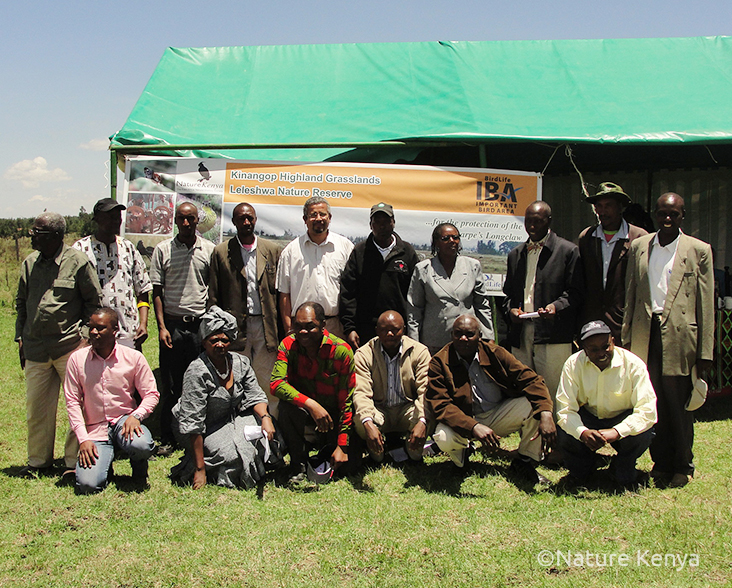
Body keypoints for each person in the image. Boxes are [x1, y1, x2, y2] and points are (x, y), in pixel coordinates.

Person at [622, 192, 714, 488]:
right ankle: (660, 464)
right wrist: (626, 341)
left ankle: (683, 465)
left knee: (678, 404)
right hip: (644, 333)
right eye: (662, 213)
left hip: (680, 337)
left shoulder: (698, 250)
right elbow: (631, 295)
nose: (667, 219)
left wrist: (706, 353)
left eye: (673, 214)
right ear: (656, 214)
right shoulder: (639, 247)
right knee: (651, 402)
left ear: (682, 216)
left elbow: (707, 304)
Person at [15, 212, 102, 478]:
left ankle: (74, 462)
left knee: (78, 406)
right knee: (38, 409)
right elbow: (21, 304)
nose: (32, 237)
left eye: (37, 233)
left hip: (70, 347)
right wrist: (20, 338)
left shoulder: (77, 262)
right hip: (36, 349)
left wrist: (86, 338)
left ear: (55, 235)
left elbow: (94, 303)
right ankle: (38, 462)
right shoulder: (30, 264)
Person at [427, 315, 556, 484]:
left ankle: (524, 462)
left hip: (496, 414)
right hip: (463, 419)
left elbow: (532, 380)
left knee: (533, 405)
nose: (463, 338)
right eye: (458, 333)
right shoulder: (439, 362)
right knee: (443, 437)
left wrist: (546, 413)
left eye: (469, 334)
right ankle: (461, 460)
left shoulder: (495, 353)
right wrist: (473, 426)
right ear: (451, 335)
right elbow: (441, 405)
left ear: (479, 336)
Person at [171, 306, 276, 489]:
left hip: (231, 419)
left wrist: (266, 418)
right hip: (201, 429)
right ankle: (202, 463)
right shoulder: (197, 372)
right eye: (214, 340)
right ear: (204, 342)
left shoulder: (240, 362)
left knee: (266, 434)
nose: (220, 344)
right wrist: (200, 469)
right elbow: (193, 422)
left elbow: (254, 394)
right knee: (231, 455)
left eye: (224, 340)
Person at [64, 308, 159, 493]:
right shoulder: (76, 360)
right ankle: (104, 467)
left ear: (115, 330)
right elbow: (72, 402)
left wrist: (136, 416)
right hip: (95, 428)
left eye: (100, 328)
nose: (93, 332)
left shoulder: (133, 357)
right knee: (88, 486)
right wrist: (83, 440)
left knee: (141, 444)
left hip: (124, 423)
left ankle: (139, 471)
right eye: (91, 328)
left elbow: (151, 394)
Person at [556, 320, 657, 489]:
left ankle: (622, 468)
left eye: (606, 346)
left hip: (622, 418)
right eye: (594, 349)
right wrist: (582, 432)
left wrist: (617, 432)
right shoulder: (573, 365)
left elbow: (647, 410)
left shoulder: (634, 364)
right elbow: (565, 410)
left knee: (644, 431)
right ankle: (581, 471)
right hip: (589, 417)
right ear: (584, 349)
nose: (602, 353)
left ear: (613, 342)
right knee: (566, 431)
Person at [150, 202, 216, 456]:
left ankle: (202, 433)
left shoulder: (208, 250)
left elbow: (212, 290)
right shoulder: (162, 250)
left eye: (191, 219)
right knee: (171, 384)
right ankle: (168, 437)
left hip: (199, 326)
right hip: (173, 326)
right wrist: (161, 327)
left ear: (197, 221)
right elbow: (156, 291)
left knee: (201, 381)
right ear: (175, 221)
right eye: (181, 219)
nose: (186, 223)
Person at [503, 201, 582, 405]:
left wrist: (555, 307)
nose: (531, 226)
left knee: (555, 391)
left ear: (549, 221)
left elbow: (575, 292)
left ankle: (558, 435)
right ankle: (532, 435)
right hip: (522, 334)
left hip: (553, 334)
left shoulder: (567, 251)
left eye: (537, 222)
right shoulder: (516, 255)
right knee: (525, 391)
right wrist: (511, 310)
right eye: (528, 221)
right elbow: (507, 294)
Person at [271, 301, 355, 483]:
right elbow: (276, 384)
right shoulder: (288, 345)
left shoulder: (341, 351)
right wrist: (310, 405)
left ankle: (329, 449)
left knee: (349, 467)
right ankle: (297, 465)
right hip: (307, 411)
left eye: (310, 327)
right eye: (298, 326)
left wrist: (343, 445)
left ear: (323, 325)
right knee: (287, 408)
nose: (302, 332)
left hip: (333, 414)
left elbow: (346, 402)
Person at [208, 202, 281, 410]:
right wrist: (218, 330)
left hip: (265, 326)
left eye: (250, 218)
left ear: (256, 219)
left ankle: (269, 424)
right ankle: (240, 422)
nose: (246, 222)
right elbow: (214, 296)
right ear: (234, 222)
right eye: (241, 218)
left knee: (267, 376)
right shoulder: (221, 252)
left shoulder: (272, 250)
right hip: (235, 328)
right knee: (236, 375)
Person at [74, 198, 153, 350]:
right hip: (94, 334)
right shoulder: (80, 250)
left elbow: (142, 290)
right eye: (110, 216)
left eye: (118, 216)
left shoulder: (128, 247)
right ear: (96, 219)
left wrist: (143, 324)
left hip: (127, 333)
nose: (116, 221)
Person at [353, 311, 431, 462]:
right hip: (379, 409)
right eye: (383, 329)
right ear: (376, 330)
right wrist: (368, 423)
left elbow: (425, 390)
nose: (389, 334)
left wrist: (422, 420)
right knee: (360, 419)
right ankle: (377, 448)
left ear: (404, 329)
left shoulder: (420, 352)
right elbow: (360, 392)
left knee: (428, 416)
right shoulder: (364, 354)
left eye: (395, 329)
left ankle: (412, 447)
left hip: (407, 409)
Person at [339, 202, 419, 349]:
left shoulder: (407, 252)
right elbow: (348, 293)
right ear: (371, 225)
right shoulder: (360, 252)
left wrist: (411, 328)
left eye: (386, 222)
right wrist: (350, 328)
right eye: (377, 222)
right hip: (366, 330)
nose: (382, 226)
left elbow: (416, 294)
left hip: (399, 330)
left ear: (393, 223)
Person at [408, 223, 493, 354]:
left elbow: (482, 304)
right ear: (436, 243)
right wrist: (414, 343)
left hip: (466, 339)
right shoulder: (423, 269)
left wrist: (488, 336)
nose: (452, 241)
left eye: (455, 237)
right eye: (445, 238)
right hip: (434, 341)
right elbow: (414, 310)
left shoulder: (472, 266)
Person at [578, 183, 648, 343]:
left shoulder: (639, 238)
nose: (602, 212)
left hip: (623, 322)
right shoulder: (586, 237)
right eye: (599, 206)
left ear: (620, 207)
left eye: (608, 206)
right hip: (592, 322)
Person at [276, 196, 354, 337]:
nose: (319, 218)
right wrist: (289, 330)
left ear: (329, 217)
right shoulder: (291, 251)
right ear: (305, 219)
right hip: (301, 329)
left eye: (322, 214)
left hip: (336, 326)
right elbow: (284, 295)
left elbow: (354, 290)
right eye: (313, 215)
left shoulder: (345, 247)